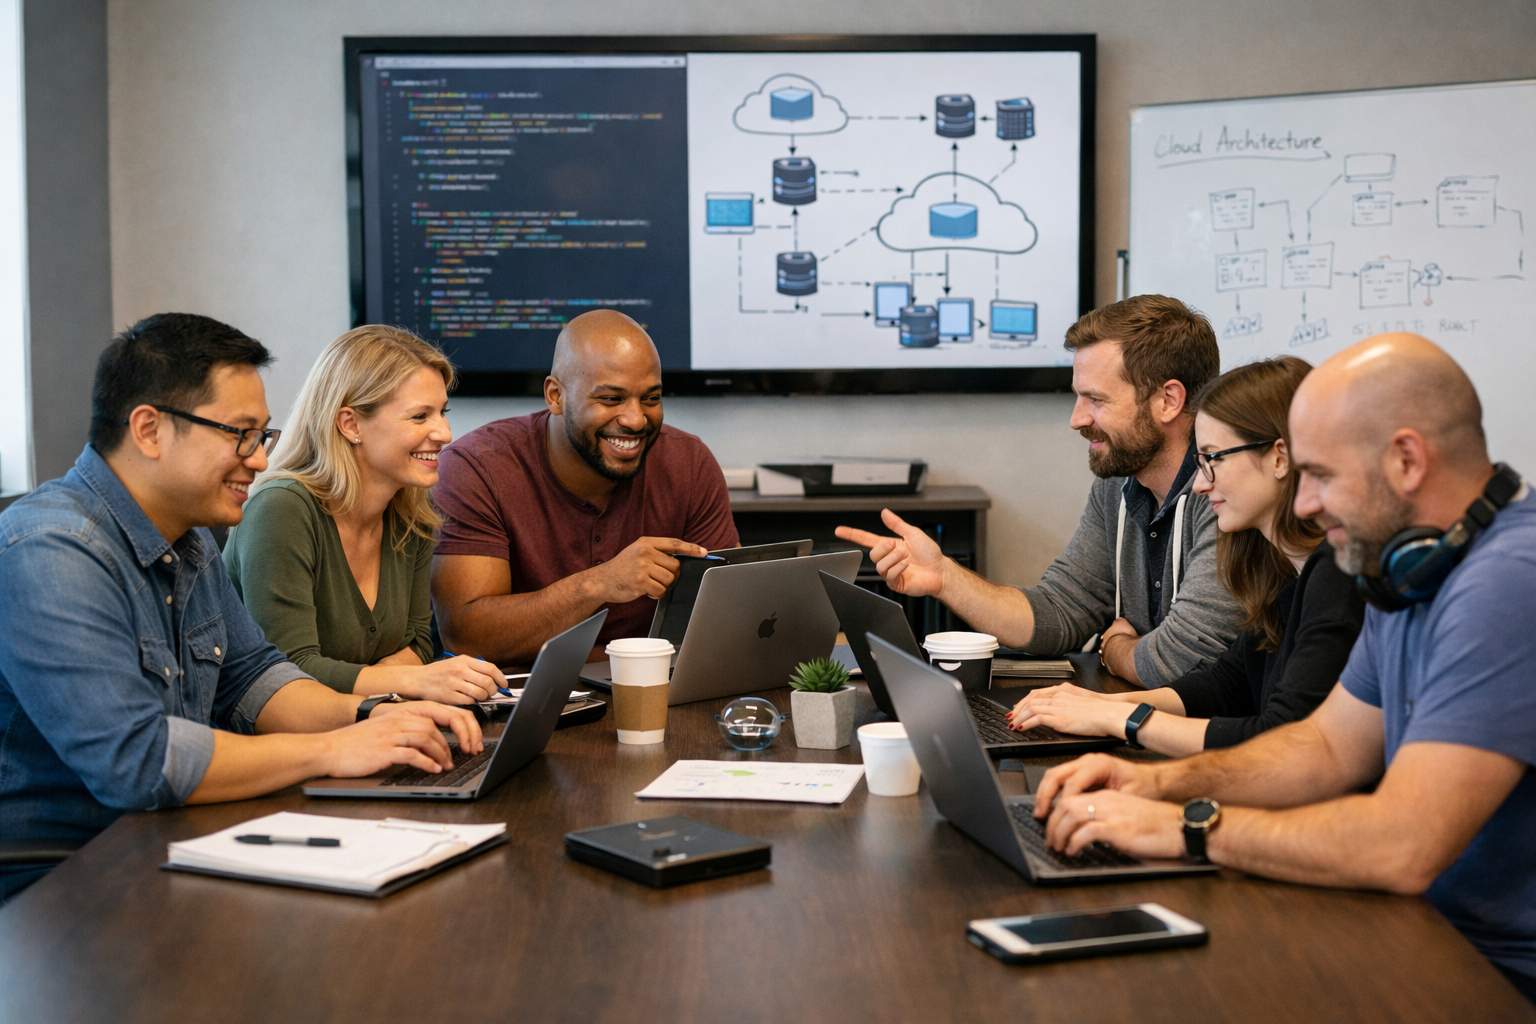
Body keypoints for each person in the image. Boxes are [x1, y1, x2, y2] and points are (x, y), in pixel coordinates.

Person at [1030, 333, 1536, 1002]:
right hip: (1423, 927)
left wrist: (1189, 826)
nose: (1303, 503)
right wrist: (1153, 786)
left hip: (1494, 969)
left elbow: (1403, 845)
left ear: (1407, 460)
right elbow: (1324, 747)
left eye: (1322, 475)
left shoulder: (1506, 582)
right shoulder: (1407, 569)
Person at [0, 314, 482, 901]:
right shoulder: (51, 549)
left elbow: (255, 677)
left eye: (263, 436)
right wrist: (333, 747)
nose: (258, 459)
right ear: (149, 430)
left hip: (177, 838)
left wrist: (369, 717)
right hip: (66, 877)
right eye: (240, 434)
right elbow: (138, 760)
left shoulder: (192, 538)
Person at [837, 294, 1242, 686]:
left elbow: (1180, 661)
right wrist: (945, 577)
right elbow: (1060, 612)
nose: (1077, 419)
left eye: (1095, 399)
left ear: (1169, 400)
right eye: (1078, 397)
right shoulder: (1118, 485)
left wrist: (1116, 646)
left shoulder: (1227, 495)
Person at [1006, 357, 1365, 755]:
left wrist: (1118, 720)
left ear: (1280, 458)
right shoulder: (1278, 568)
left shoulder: (1339, 575)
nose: (1197, 485)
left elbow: (1281, 739)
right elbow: (1227, 685)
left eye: (1213, 459)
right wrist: (1100, 705)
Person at [431, 309, 739, 664]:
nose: (636, 419)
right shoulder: (475, 469)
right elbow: (466, 637)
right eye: (611, 399)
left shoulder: (690, 463)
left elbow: (721, 621)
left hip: (653, 686)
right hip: (518, 697)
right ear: (555, 396)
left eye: (651, 399)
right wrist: (600, 583)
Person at [223, 326, 506, 704]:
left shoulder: (413, 512)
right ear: (351, 424)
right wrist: (410, 682)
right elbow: (288, 672)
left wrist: (390, 682)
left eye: (442, 412)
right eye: (420, 416)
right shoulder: (281, 510)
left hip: (372, 731)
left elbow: (421, 643)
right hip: (277, 748)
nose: (445, 433)